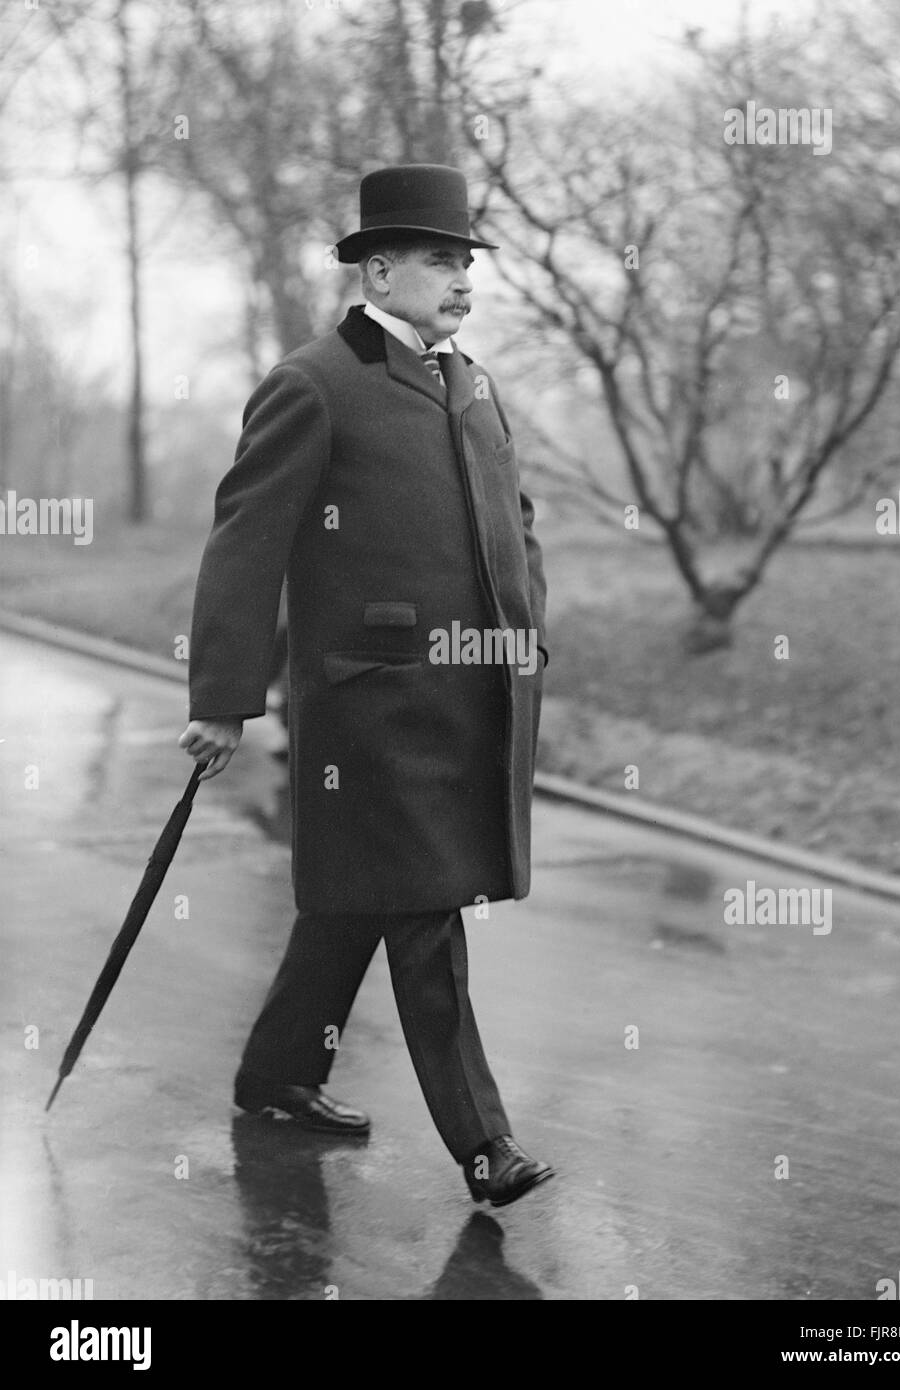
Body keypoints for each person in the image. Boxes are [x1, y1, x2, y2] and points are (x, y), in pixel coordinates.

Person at [179, 164, 552, 1208]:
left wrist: (529, 634)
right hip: (368, 711)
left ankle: (278, 1075)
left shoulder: (471, 383)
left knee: (356, 904)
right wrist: (223, 698)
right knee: (426, 908)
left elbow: (514, 527)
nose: (461, 280)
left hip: (469, 699)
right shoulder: (314, 383)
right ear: (379, 268)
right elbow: (245, 547)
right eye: (442, 260)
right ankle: (486, 1146)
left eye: (467, 262)